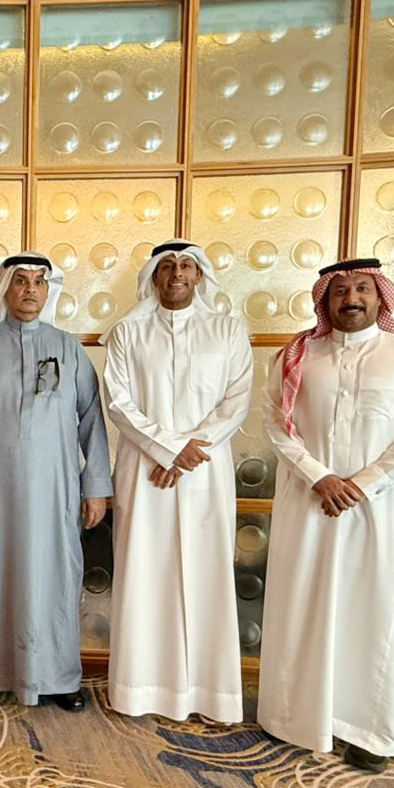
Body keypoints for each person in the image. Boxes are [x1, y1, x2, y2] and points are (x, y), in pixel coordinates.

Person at [258, 258, 394, 772]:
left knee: (373, 615)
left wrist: (362, 483)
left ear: (380, 297)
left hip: (377, 510)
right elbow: (276, 422)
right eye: (340, 291)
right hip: (309, 502)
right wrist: (318, 475)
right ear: (325, 300)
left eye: (362, 288)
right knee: (303, 606)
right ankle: (294, 718)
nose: (352, 299)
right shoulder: (298, 355)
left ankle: (370, 731)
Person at [0, 252, 112, 711]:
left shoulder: (67, 348)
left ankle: (58, 677)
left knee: (54, 576)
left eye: (38, 281)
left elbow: (92, 420)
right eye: (20, 281)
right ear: (6, 289)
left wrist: (96, 486)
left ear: (48, 290)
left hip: (54, 491)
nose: (30, 289)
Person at [103, 240, 252, 722]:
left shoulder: (228, 330)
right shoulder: (127, 332)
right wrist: (167, 448)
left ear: (200, 275)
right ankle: (139, 689)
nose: (177, 274)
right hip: (144, 471)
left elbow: (236, 401)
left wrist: (184, 453)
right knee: (145, 573)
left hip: (205, 471)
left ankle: (210, 694)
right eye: (167, 266)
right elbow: (118, 402)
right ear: (154, 276)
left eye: (186, 265)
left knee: (206, 575)